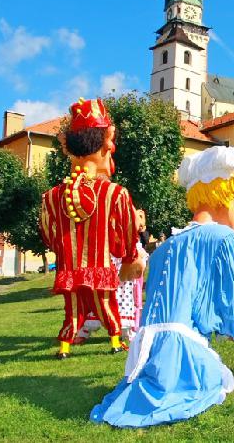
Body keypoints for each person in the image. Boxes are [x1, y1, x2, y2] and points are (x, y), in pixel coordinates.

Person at [90, 146, 234, 427]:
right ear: (227, 193)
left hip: (145, 355)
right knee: (215, 380)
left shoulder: (163, 248)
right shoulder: (222, 238)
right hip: (182, 355)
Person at [39, 97, 145, 359]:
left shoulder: (52, 196)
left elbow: (48, 233)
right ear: (106, 144)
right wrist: (128, 255)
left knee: (72, 308)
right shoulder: (115, 193)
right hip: (100, 265)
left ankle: (65, 346)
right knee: (106, 303)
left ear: (69, 147)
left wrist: (63, 250)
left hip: (70, 266)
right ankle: (115, 341)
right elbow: (127, 231)